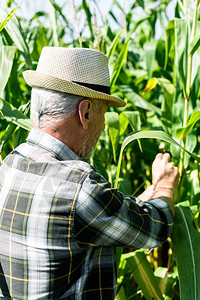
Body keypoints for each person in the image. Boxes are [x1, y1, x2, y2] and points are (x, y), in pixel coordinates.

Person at [0, 47, 179, 299]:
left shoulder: (8, 166)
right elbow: (154, 230)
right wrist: (165, 186)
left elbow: (91, 218)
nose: (104, 124)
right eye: (103, 112)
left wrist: (140, 199)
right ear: (84, 112)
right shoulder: (79, 187)